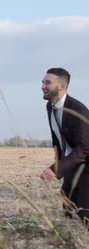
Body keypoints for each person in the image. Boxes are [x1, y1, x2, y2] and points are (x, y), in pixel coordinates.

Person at [40, 67, 89, 227]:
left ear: (62, 86)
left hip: (86, 166)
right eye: (43, 82)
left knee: (84, 213)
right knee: (67, 208)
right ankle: (70, 245)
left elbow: (83, 149)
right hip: (72, 165)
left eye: (48, 82)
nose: (43, 86)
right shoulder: (50, 107)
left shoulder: (78, 110)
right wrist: (57, 166)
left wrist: (56, 169)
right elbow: (58, 142)